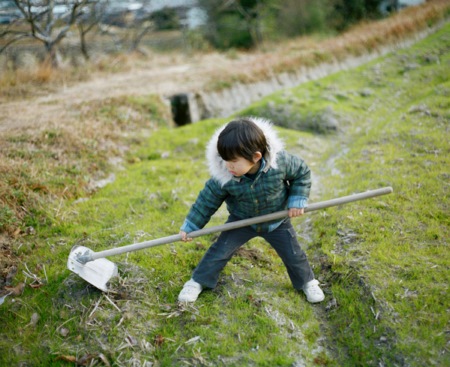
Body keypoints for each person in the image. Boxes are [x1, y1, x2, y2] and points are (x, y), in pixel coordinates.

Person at [178, 117, 324, 304]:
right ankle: (197, 282)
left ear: (256, 157)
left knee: (294, 255)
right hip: (242, 221)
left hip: (277, 221)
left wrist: (297, 199)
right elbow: (206, 201)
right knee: (219, 251)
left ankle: (307, 282)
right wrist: (192, 225)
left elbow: (302, 173)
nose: (227, 166)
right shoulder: (224, 176)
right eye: (224, 160)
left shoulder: (281, 163)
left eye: (233, 162)